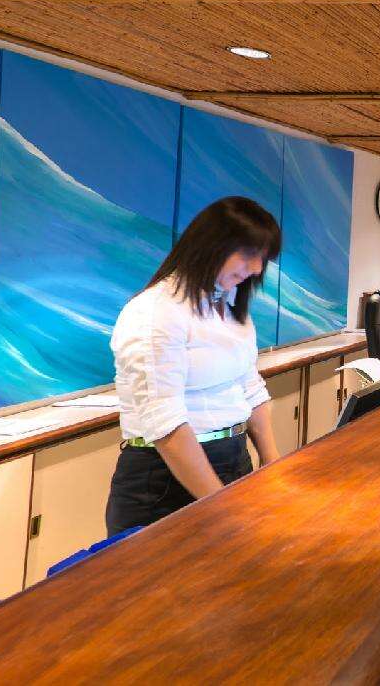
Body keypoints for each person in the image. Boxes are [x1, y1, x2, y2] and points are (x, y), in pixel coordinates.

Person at [105, 196, 282, 535]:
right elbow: (167, 425)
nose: (257, 269)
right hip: (166, 481)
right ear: (213, 245)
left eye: (262, 258)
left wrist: (272, 463)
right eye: (249, 255)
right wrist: (220, 507)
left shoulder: (231, 306)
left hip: (234, 460)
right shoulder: (156, 311)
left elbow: (250, 388)